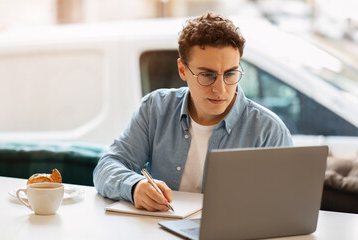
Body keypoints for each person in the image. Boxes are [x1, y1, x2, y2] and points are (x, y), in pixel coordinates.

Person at [93, 12, 293, 212]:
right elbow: (107, 167)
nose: (220, 89)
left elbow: (285, 206)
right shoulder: (155, 108)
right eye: (207, 75)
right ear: (182, 70)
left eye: (230, 73)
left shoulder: (269, 131)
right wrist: (135, 186)